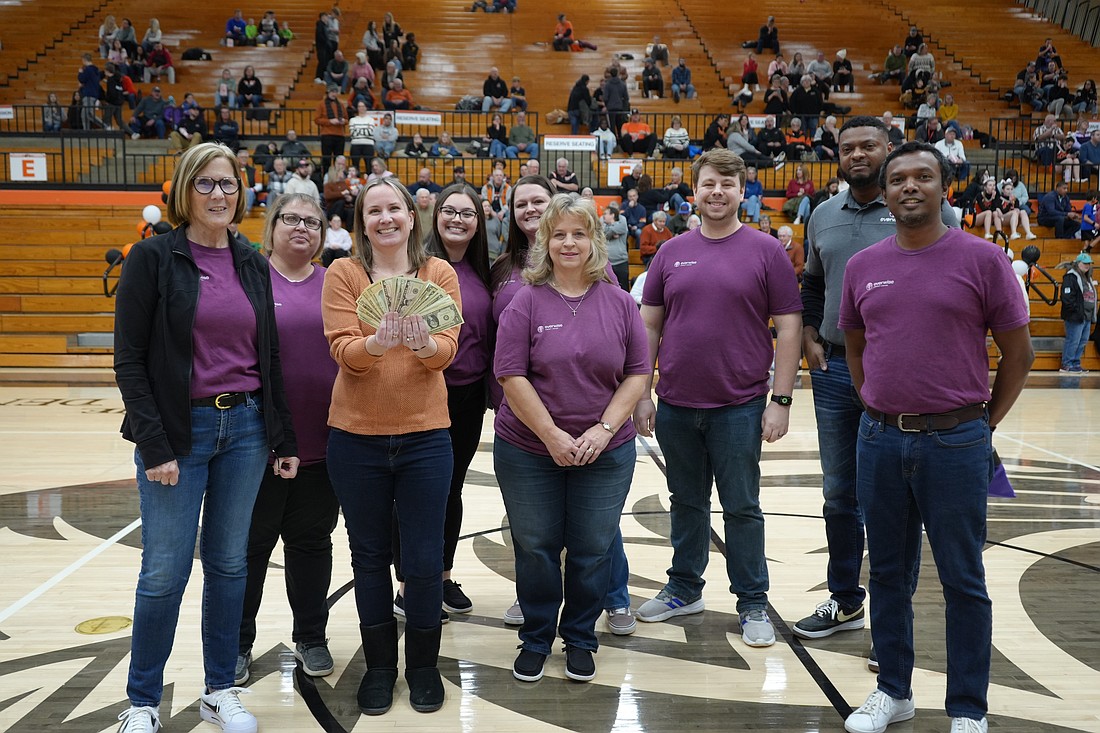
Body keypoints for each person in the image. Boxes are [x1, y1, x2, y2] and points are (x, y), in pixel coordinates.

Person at [839, 141, 1033, 733]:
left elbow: (1019, 354)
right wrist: (878, 405)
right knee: (889, 574)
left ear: (943, 185)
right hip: (880, 440)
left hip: (957, 442)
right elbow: (854, 347)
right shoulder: (862, 265)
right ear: (886, 189)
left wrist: (981, 422)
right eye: (899, 178)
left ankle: (968, 708)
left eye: (924, 176)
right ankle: (893, 690)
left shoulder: (982, 259)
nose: (910, 187)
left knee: (962, 578)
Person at [112, 142, 299, 733]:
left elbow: (267, 354)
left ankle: (220, 688)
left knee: (228, 565)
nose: (219, 195)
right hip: (178, 431)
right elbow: (130, 361)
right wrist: (156, 445)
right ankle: (142, 702)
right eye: (206, 184)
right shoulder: (152, 258)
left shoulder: (249, 259)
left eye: (228, 184)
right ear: (184, 190)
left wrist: (281, 435)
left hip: (244, 426)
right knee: (164, 570)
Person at [797, 117, 959, 658]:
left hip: (901, 375)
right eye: (849, 148)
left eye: (869, 145)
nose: (859, 154)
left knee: (900, 498)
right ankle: (845, 599)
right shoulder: (820, 214)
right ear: (837, 155)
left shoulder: (931, 212)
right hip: (838, 371)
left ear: (888, 151)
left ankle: (893, 624)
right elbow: (813, 284)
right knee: (839, 493)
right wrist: (812, 341)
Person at [632, 148, 802, 648]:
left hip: (740, 405)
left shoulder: (766, 251)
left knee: (742, 506)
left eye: (727, 184)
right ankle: (685, 587)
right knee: (685, 501)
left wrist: (782, 400)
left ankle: (752, 601)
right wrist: (643, 393)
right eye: (708, 183)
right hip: (678, 405)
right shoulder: (671, 251)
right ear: (695, 190)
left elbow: (789, 328)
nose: (717, 192)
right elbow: (648, 325)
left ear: (741, 191)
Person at [321, 177, 460, 717]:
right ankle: (380, 667)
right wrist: (378, 341)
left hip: (427, 437)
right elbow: (345, 354)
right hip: (355, 439)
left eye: (394, 208)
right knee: (370, 558)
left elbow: (446, 352)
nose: (385, 218)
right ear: (361, 221)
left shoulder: (438, 273)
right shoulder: (343, 274)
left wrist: (425, 344)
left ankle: (424, 667)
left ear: (410, 216)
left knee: (424, 562)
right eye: (373, 210)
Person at [495, 194, 648, 684]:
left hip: (605, 450)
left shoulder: (621, 303)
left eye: (578, 233)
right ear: (544, 242)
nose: (568, 242)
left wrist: (603, 430)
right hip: (528, 448)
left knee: (593, 548)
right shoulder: (526, 300)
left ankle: (581, 637)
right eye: (558, 233)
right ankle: (537, 637)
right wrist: (553, 435)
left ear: (594, 241)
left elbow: (638, 374)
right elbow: (510, 376)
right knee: (536, 545)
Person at [234, 193, 339, 686]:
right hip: (258, 443)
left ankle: (311, 637)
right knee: (249, 547)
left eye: (313, 222)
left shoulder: (334, 283)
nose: (302, 228)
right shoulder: (248, 277)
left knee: (312, 542)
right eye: (292, 219)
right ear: (271, 225)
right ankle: (235, 643)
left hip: (323, 440)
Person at [391, 184, 494, 619]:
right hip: (421, 391)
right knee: (412, 492)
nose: (457, 219)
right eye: (449, 211)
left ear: (479, 223)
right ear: (433, 216)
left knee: (450, 490)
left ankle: (443, 575)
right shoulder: (416, 267)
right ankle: (407, 583)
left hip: (468, 397)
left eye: (467, 214)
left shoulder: (485, 271)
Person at [1059, 252, 1096, 374]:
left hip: (1087, 316)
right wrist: (1075, 310)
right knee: (1073, 340)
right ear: (1077, 263)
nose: (1087, 265)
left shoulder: (1088, 278)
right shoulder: (1070, 277)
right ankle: (1067, 364)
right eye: (1085, 263)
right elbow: (1067, 297)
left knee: (1082, 341)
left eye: (1089, 263)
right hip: (1076, 316)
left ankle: (1075, 362)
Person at [316, 85, 347, 176]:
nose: (334, 94)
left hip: (340, 135)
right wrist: (330, 121)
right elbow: (317, 120)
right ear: (328, 92)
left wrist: (342, 121)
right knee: (326, 159)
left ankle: (339, 176)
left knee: (339, 159)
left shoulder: (341, 104)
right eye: (332, 92)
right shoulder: (321, 104)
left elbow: (346, 119)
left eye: (335, 92)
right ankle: (326, 177)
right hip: (327, 134)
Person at [603, 202, 630, 290]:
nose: (603, 216)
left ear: (612, 215)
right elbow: (600, 233)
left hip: (621, 262)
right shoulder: (602, 224)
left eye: (606, 214)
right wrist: (613, 232)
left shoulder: (622, 221)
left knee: (624, 289)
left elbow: (622, 228)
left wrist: (609, 232)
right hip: (606, 263)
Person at [348, 101, 376, 173]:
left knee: (369, 165)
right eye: (359, 106)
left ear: (366, 107)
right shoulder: (352, 120)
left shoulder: (371, 119)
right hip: (355, 144)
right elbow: (353, 133)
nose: (361, 108)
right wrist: (365, 130)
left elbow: (370, 132)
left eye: (363, 106)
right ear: (357, 108)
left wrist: (358, 130)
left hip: (368, 144)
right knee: (355, 166)